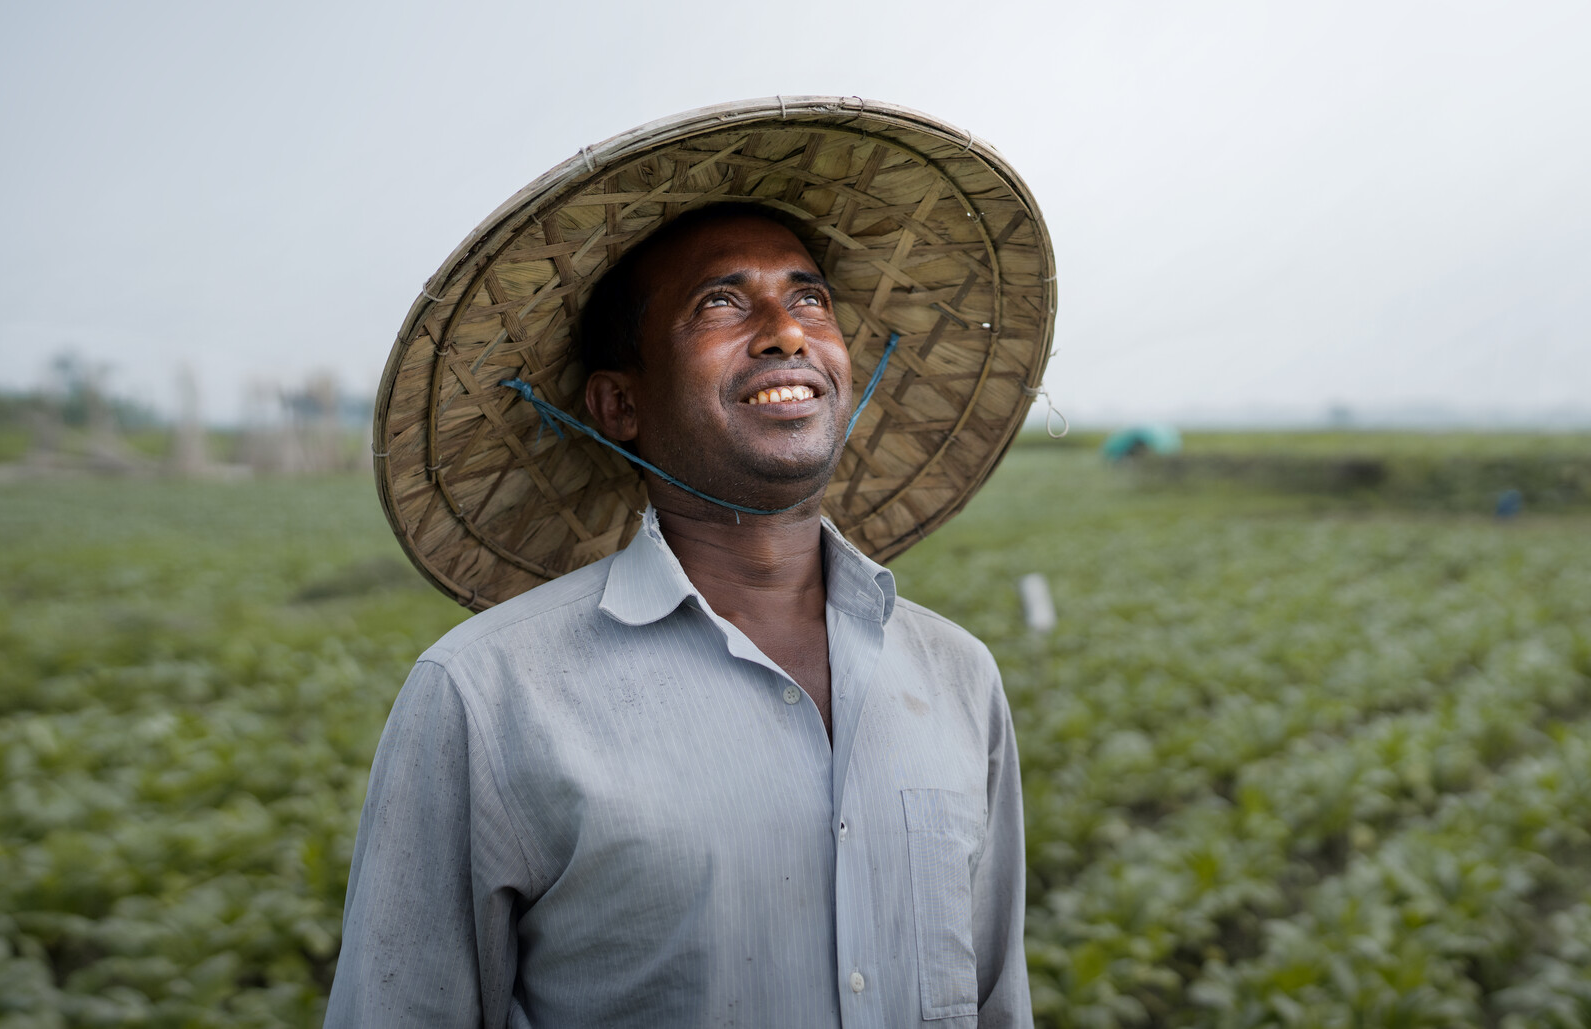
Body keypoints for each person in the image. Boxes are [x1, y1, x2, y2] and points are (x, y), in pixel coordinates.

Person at [333, 99, 1056, 1027]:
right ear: (618, 404)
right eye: (721, 301)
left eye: (809, 299)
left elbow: (998, 1001)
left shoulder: (957, 677)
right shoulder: (486, 697)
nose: (787, 331)